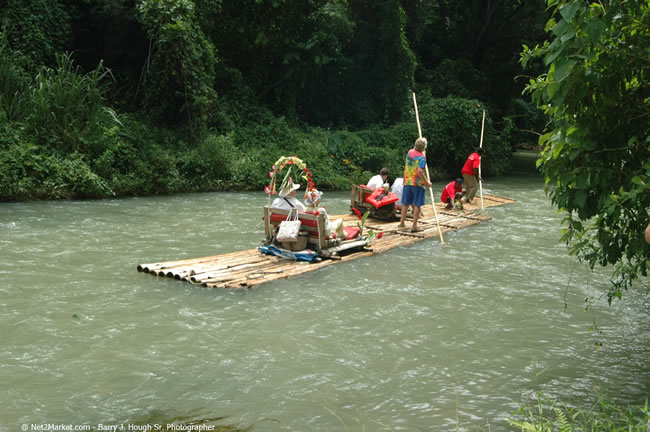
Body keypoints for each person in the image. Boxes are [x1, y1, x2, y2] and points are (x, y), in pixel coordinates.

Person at [398, 137, 432, 232]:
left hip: (407, 181)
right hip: (417, 183)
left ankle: (402, 223)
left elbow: (415, 155)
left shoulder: (410, 152)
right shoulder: (422, 157)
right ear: (424, 147)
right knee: (417, 204)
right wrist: (427, 182)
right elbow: (420, 171)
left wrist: (422, 153)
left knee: (406, 203)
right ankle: (414, 226)